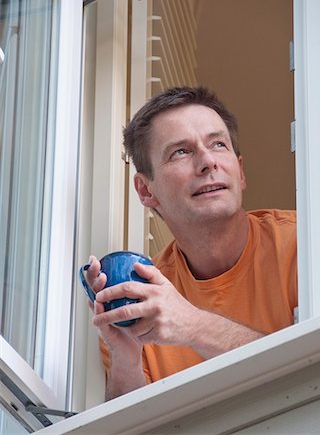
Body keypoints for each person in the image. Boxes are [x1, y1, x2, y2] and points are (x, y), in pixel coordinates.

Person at [86, 86, 297, 400]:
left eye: (218, 144)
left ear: (240, 171)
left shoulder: (306, 243)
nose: (208, 161)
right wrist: (126, 360)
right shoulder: (142, 300)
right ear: (145, 190)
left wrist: (193, 325)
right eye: (180, 152)